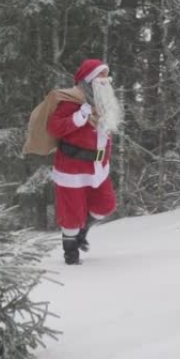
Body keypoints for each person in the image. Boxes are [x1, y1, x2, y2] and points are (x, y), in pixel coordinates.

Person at [46, 59, 123, 265]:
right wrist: (79, 116)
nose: (105, 80)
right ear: (89, 80)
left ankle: (82, 231)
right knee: (71, 214)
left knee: (106, 204)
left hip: (98, 168)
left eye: (106, 75)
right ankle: (71, 254)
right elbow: (54, 128)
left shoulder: (104, 103)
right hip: (72, 168)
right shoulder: (71, 101)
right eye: (101, 76)